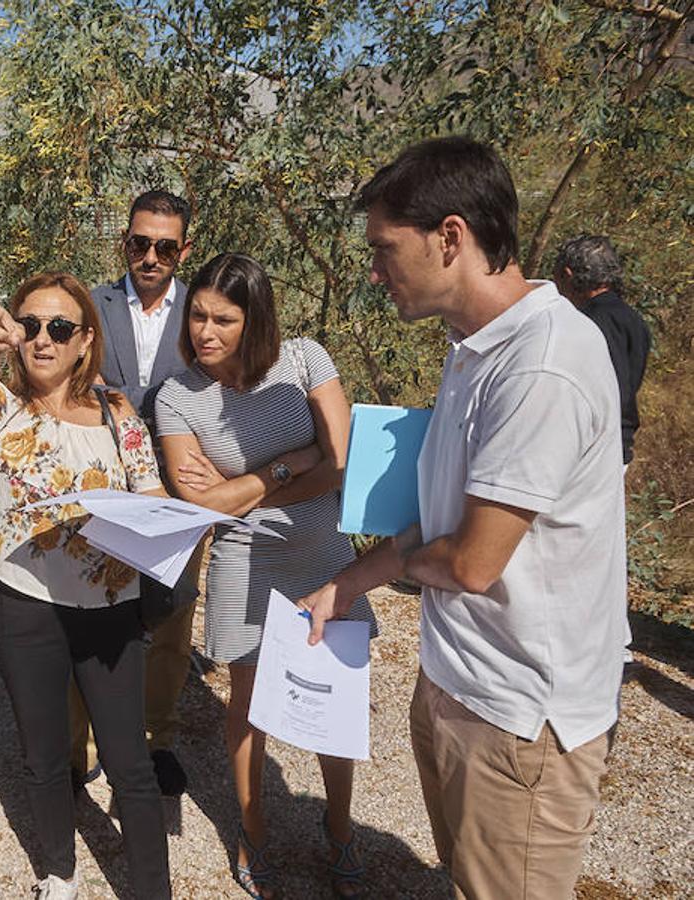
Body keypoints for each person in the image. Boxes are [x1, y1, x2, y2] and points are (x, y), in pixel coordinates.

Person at [301, 137, 627, 899]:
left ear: (451, 238)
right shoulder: (474, 346)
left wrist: (395, 570)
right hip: (459, 685)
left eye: (385, 248)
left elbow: (474, 561)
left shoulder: (541, 365)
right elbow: (438, 520)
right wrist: (349, 584)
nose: (374, 270)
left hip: (518, 720)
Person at [154, 252, 376, 899]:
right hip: (242, 562)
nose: (205, 331)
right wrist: (283, 469)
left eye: (223, 319)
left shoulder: (305, 360)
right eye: (197, 314)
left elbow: (340, 463)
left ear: (255, 320)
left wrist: (240, 488)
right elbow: (200, 507)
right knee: (247, 709)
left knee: (334, 704)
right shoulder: (177, 397)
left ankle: (340, 830)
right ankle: (252, 831)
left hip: (324, 553)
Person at [0, 272, 171, 900]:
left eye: (59, 328)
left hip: (109, 607)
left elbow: (153, 497)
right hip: (23, 604)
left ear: (85, 341)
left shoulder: (118, 414)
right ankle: (58, 872)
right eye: (29, 326)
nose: (42, 340)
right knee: (43, 753)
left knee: (129, 762)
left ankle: (150, 888)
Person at [73, 189, 199, 797]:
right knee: (107, 610)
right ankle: (97, 739)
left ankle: (161, 737)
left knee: (172, 616)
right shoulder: (91, 306)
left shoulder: (202, 312)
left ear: (184, 249)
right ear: (125, 241)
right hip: (111, 486)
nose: (151, 256)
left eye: (165, 247)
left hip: (181, 489)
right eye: (140, 243)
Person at [553, 235, 650, 468]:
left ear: (567, 275)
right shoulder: (633, 319)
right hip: (617, 444)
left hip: (594, 451)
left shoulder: (587, 323)